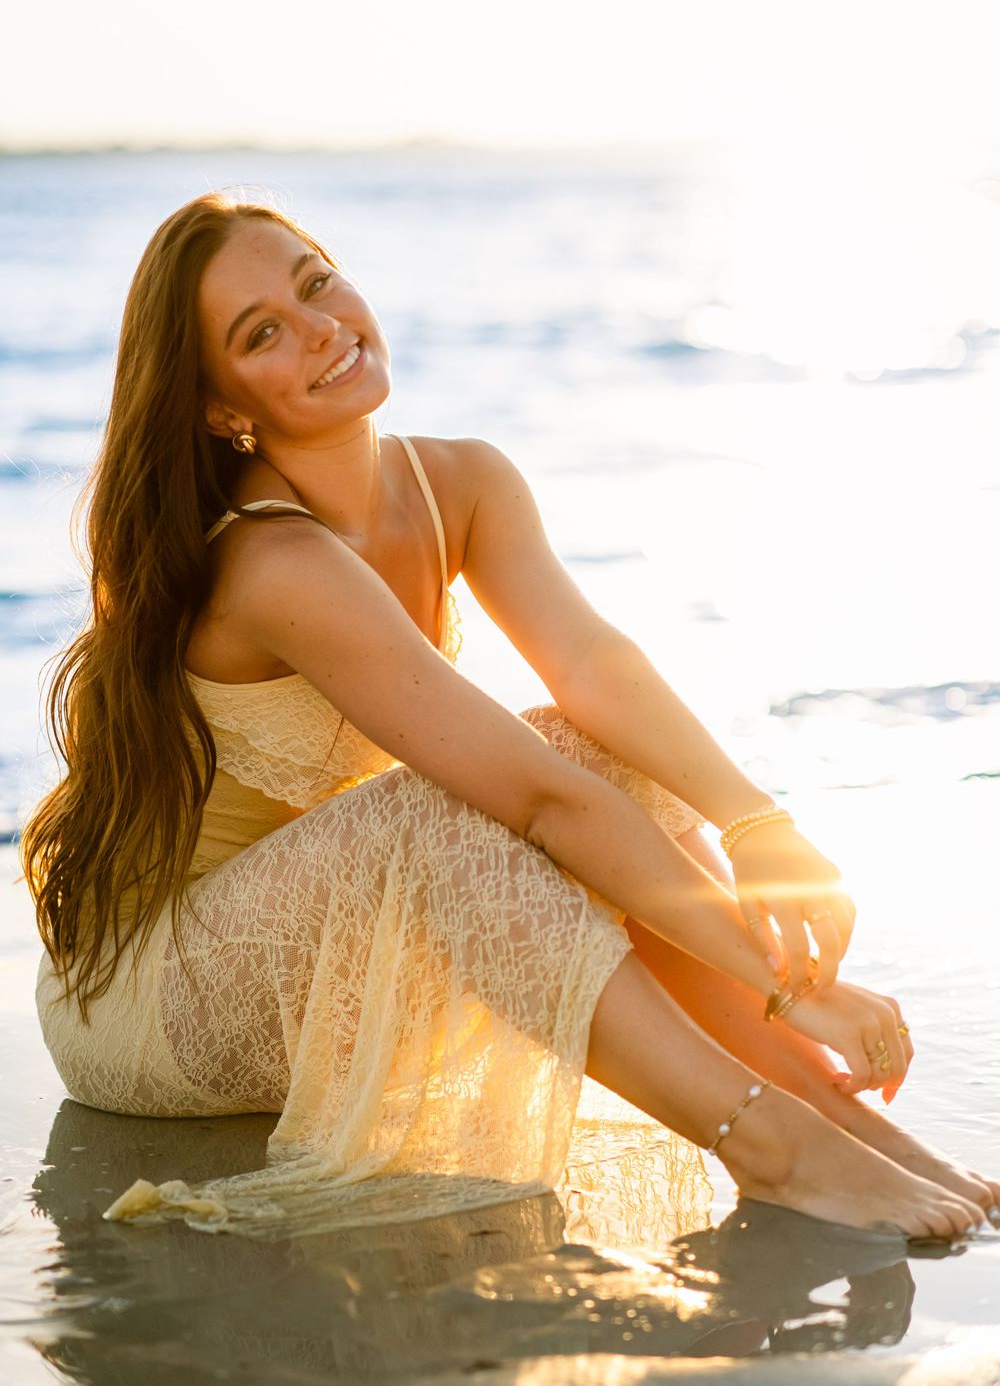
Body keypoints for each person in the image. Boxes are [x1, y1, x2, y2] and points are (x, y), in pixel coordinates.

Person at [21, 193, 1000, 1240]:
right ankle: (765, 1143)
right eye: (262, 333)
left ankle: (838, 1117)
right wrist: (779, 979)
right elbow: (533, 801)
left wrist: (761, 828)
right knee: (453, 808)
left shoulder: (461, 482)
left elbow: (594, 670)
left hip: (322, 957)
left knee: (584, 741)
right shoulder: (271, 560)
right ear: (223, 408)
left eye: (316, 284)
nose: (318, 328)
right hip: (157, 1001)